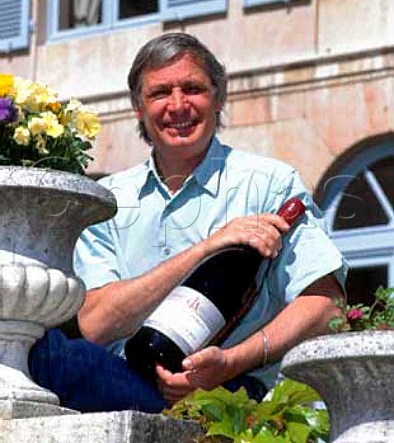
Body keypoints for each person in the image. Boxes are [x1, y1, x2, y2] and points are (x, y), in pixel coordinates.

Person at [29, 32, 347, 413]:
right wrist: (207, 248)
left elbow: (325, 303)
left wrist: (231, 362)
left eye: (192, 88)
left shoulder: (269, 184)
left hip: (235, 389)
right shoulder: (110, 200)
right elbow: (96, 325)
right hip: (129, 381)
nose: (177, 105)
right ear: (138, 108)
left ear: (218, 98)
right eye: (160, 93)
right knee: (43, 349)